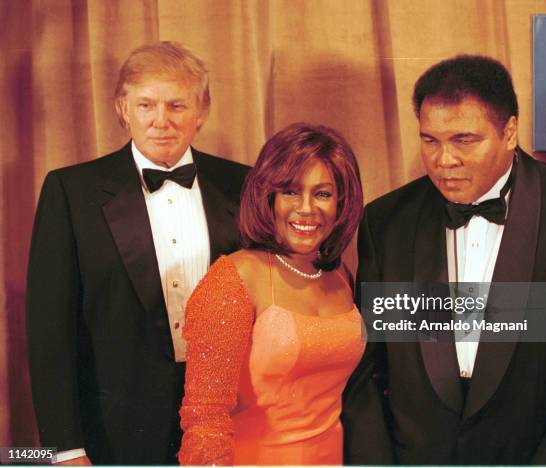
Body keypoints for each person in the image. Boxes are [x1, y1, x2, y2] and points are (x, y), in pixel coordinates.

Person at [342, 55, 546, 465]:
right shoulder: (386, 222)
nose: (444, 160)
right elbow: (366, 370)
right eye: (430, 140)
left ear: (509, 132)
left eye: (463, 140)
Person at [26, 41, 249, 465]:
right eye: (146, 105)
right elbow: (49, 335)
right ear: (123, 110)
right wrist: (63, 449)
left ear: (202, 113)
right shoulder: (71, 192)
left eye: (177, 106)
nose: (161, 121)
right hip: (114, 428)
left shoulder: (244, 185)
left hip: (229, 419)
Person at [178, 123, 365, 466]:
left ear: (342, 202)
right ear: (269, 196)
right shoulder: (234, 278)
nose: (306, 208)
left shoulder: (340, 275)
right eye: (291, 192)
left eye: (322, 194)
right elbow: (205, 417)